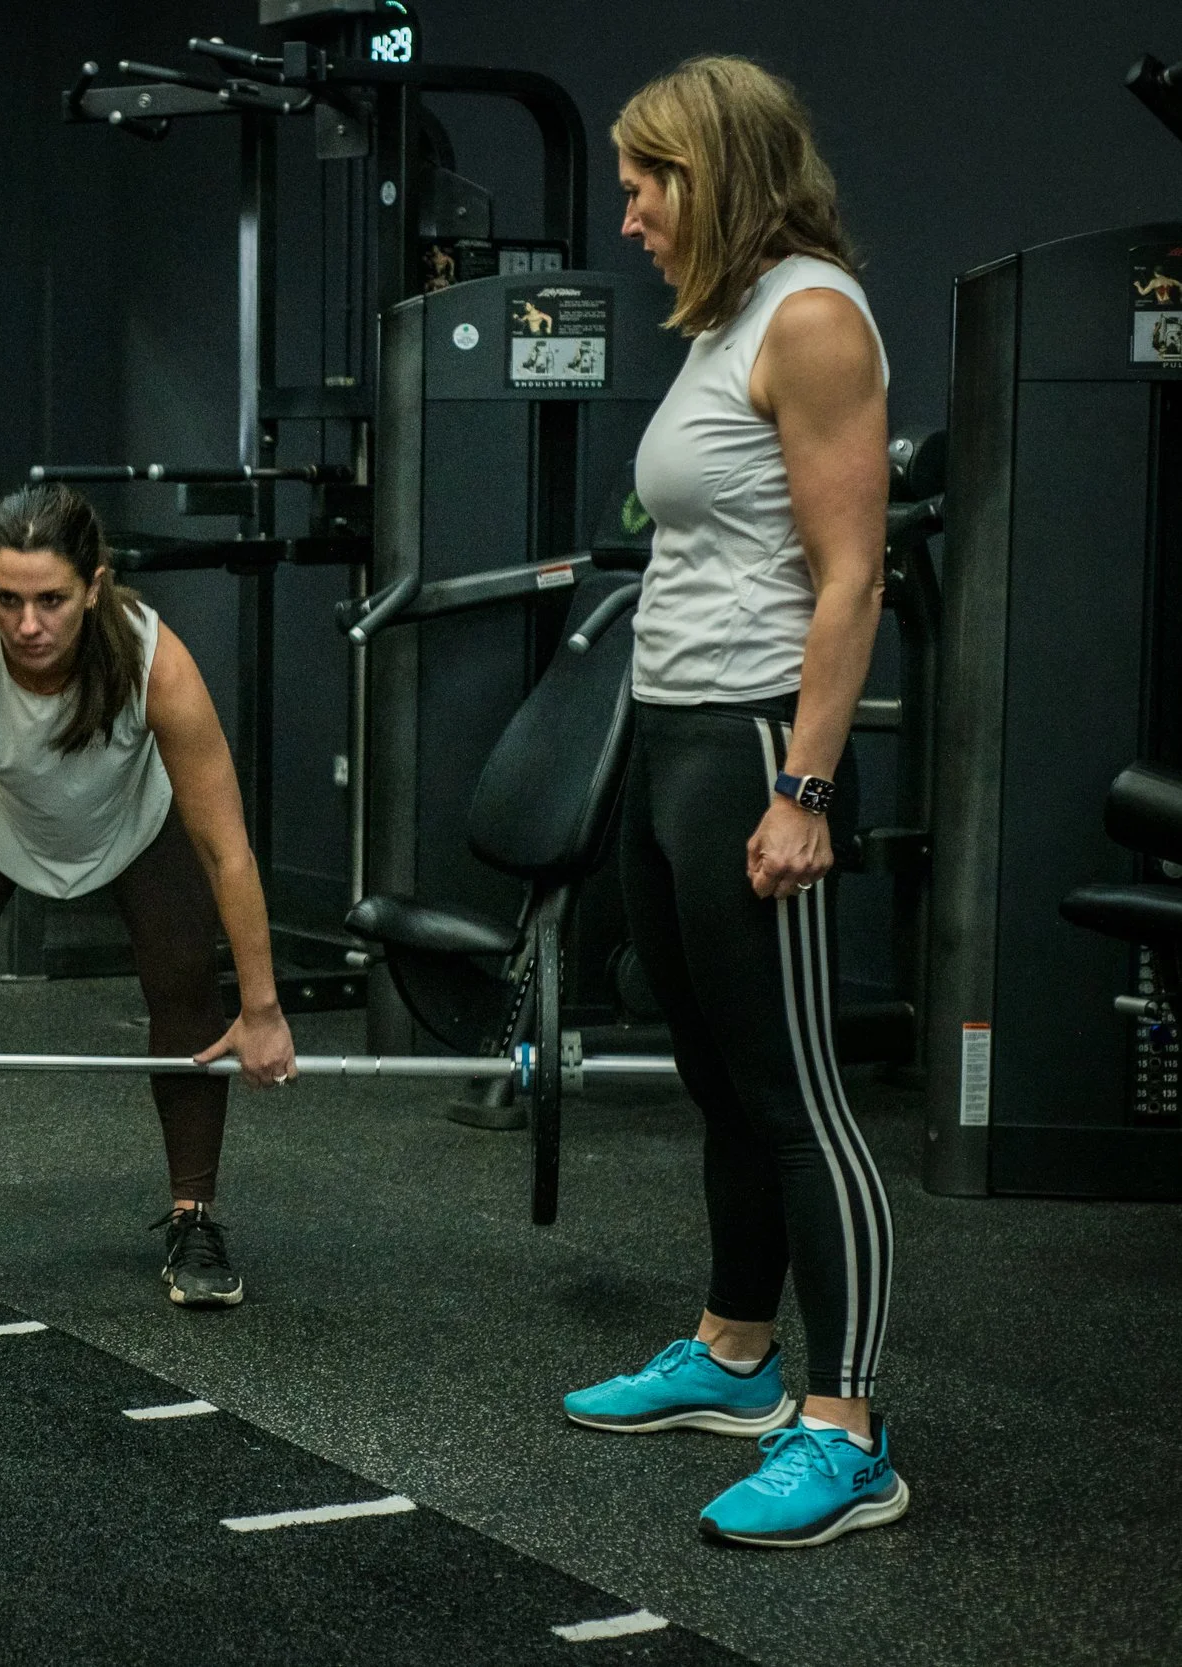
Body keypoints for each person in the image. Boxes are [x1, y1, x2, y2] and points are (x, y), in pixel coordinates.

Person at [561, 56, 903, 1549]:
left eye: (648, 182)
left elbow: (853, 574)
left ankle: (849, 1426)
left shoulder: (813, 318)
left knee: (798, 1098)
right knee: (714, 1068)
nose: (628, 211)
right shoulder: (723, 325)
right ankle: (736, 1352)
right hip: (673, 733)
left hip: (762, 734)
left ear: (720, 175)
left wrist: (807, 786)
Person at [0, 483, 296, 1309]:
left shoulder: (157, 662)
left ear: (95, 587)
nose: (27, 624)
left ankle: (194, 1218)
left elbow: (227, 852)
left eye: (50, 600)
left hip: (134, 819)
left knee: (185, 982)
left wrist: (262, 1008)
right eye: (6, 599)